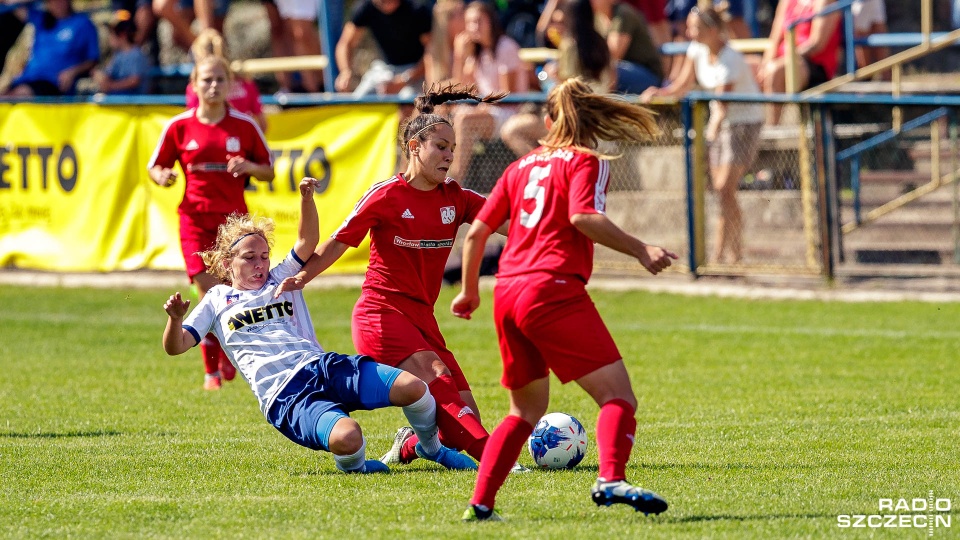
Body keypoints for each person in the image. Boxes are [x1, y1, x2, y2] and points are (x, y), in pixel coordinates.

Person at [451, 77, 677, 521]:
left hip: (507, 294)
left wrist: (469, 291)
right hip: (550, 289)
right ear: (591, 120)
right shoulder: (586, 160)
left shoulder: (521, 167)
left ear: (548, 120)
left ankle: (481, 504)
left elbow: (477, 232)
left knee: (524, 411)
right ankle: (610, 478)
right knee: (618, 397)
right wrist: (641, 248)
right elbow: (582, 216)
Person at [161, 178, 477, 474]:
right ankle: (356, 467)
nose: (260, 264)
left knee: (414, 388)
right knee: (349, 437)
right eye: (249, 258)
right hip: (286, 395)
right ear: (228, 263)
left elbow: (307, 240)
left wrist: (306, 198)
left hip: (324, 366)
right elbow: (176, 347)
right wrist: (175, 320)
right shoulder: (217, 298)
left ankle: (431, 449)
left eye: (264, 256)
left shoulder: (279, 278)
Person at [274, 83, 511, 469]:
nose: (450, 155)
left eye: (452, 148)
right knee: (438, 379)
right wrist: (302, 277)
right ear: (414, 147)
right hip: (380, 315)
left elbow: (510, 221)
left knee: (464, 414)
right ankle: (498, 461)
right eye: (441, 146)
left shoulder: (456, 197)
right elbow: (338, 242)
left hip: (422, 319)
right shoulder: (386, 195)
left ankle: (414, 445)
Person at [148, 55, 276, 391]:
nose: (213, 85)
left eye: (220, 79)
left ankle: (223, 356)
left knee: (231, 291)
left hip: (233, 226)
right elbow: (155, 166)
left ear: (231, 85)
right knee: (207, 288)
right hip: (194, 220)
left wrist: (247, 166)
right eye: (206, 79)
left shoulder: (244, 126)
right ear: (194, 85)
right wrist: (162, 175)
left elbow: (269, 170)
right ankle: (211, 371)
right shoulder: (179, 126)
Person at [640, 3, 763, 264]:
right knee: (724, 193)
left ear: (711, 29)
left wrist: (707, 137)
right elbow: (681, 85)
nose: (689, 31)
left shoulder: (730, 59)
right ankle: (726, 254)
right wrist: (657, 94)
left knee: (723, 187)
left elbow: (721, 105)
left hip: (743, 124)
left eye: (695, 27)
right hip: (722, 124)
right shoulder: (696, 50)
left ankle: (729, 253)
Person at [448, 1, 530, 180]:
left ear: (490, 22)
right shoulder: (478, 52)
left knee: (464, 120)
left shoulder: (505, 46)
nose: (473, 27)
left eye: (478, 21)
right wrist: (460, 56)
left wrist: (481, 106)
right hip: (488, 113)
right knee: (446, 112)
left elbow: (507, 97)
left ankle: (455, 182)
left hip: (509, 114)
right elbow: (461, 89)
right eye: (469, 22)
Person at [759, 0, 840, 124]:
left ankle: (771, 133)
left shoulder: (825, 2)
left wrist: (788, 58)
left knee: (776, 71)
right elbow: (774, 39)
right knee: (746, 68)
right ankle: (745, 135)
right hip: (784, 59)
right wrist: (765, 65)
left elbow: (817, 44)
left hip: (813, 64)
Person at [334, 0, 433, 97]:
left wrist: (404, 80)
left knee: (409, 102)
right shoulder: (366, 7)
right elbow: (345, 44)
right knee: (358, 101)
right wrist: (345, 72)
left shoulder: (416, 9)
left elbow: (432, 54)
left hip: (416, 72)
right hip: (385, 69)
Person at [4, 0, 99, 97]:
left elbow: (93, 60)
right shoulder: (42, 20)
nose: (57, 4)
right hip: (27, 79)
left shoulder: (83, 23)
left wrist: (73, 72)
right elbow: (10, 4)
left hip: (53, 83)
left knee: (16, 95)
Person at [185, 29, 267, 132]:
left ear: (198, 54)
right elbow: (262, 125)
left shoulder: (197, 86)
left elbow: (191, 126)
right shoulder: (246, 82)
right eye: (208, 80)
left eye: (220, 80)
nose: (214, 85)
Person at [592, 0, 664, 94]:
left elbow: (613, 54)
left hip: (649, 74)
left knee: (606, 72)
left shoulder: (623, 14)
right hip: (624, 69)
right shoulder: (599, 19)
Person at [92, 13, 151, 95]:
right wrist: (99, 76)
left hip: (133, 104)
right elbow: (108, 74)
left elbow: (134, 81)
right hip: (118, 101)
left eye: (112, 33)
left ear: (122, 35)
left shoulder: (136, 54)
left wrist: (111, 86)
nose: (109, 38)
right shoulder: (118, 56)